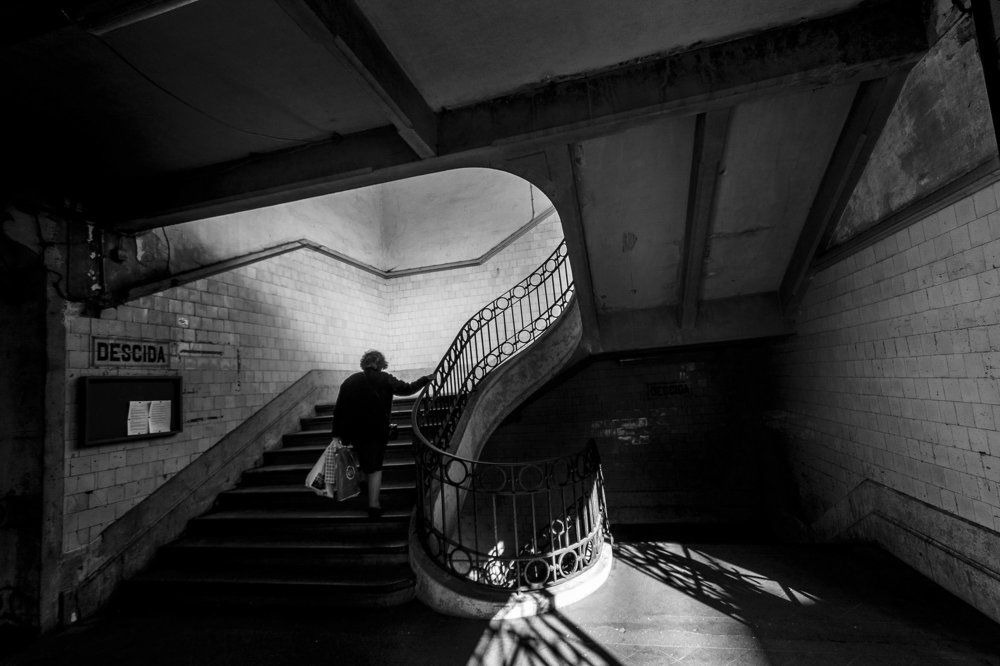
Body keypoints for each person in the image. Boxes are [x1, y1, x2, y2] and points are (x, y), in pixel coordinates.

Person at [331, 350, 431, 518]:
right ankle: (374, 505)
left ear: (364, 363)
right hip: (377, 430)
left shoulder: (349, 381)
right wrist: (425, 379)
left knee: (364, 457)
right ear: (380, 363)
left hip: (355, 431)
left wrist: (336, 434)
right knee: (376, 465)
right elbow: (407, 389)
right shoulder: (385, 379)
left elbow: (339, 410)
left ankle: (363, 483)